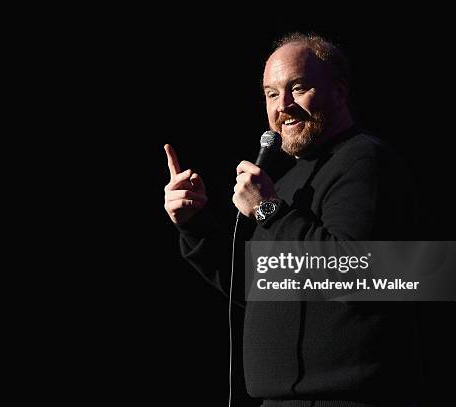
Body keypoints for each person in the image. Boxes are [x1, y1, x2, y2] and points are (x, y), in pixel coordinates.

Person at [163, 33, 421, 407]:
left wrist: (269, 210)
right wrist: (195, 224)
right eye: (271, 94)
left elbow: (353, 271)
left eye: (298, 88)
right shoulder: (286, 180)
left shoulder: (365, 162)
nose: (283, 106)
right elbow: (256, 285)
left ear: (339, 92)